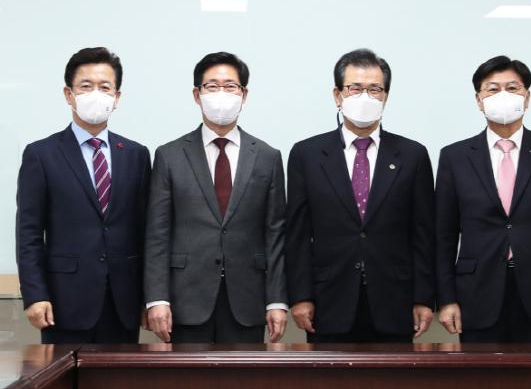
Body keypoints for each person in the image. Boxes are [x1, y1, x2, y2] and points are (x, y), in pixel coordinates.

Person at [285, 49, 435, 343]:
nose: (365, 96)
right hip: (328, 300)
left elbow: (423, 235)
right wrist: (301, 296)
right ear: (338, 95)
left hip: (395, 300)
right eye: (355, 88)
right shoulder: (306, 154)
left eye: (374, 89)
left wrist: (423, 298)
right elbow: (298, 235)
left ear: (385, 96)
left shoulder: (413, 155)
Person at [436, 55, 531, 343]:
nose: (503, 95)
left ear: (527, 97)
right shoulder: (454, 156)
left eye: (512, 88)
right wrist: (446, 299)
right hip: (475, 293)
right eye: (493, 89)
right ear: (479, 100)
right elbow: (443, 236)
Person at [144, 52, 287, 344]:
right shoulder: (169, 156)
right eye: (212, 86)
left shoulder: (267, 157)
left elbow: (275, 234)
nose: (221, 93)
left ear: (244, 94)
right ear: (197, 95)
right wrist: (157, 298)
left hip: (248, 299)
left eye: (230, 86)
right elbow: (157, 234)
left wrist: (277, 300)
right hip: (185, 300)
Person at [16, 47, 151, 344]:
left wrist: (149, 297)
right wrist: (35, 295)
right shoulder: (41, 154)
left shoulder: (136, 154)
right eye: (86, 86)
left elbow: (145, 231)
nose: (96, 94)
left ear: (116, 97)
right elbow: (29, 234)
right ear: (69, 94)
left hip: (123, 302)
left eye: (105, 87)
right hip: (64, 301)